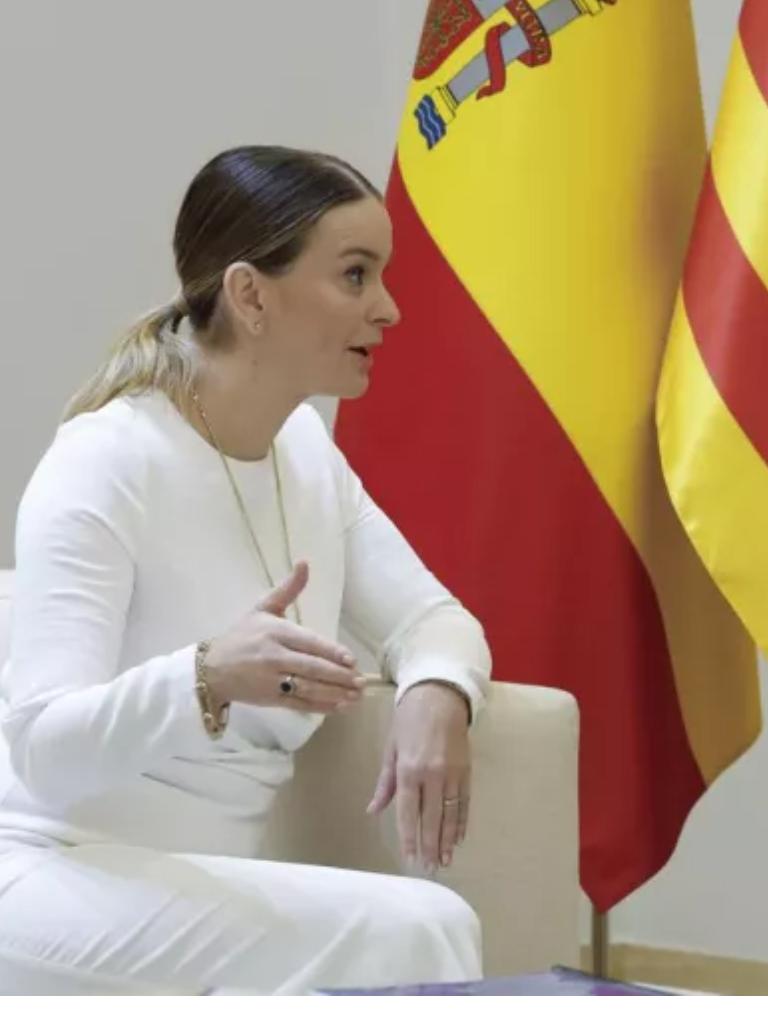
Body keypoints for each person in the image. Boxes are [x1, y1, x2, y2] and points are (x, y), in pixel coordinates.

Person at [0, 146, 491, 993]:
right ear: (250, 294)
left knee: (418, 929)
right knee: (426, 928)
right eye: (355, 275)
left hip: (201, 887)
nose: (390, 309)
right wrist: (206, 675)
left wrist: (438, 691)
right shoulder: (106, 461)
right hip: (57, 873)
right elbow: (42, 749)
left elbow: (431, 618)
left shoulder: (305, 454)